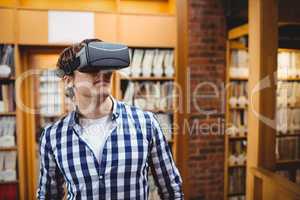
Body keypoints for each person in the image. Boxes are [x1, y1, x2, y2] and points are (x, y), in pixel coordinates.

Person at [37, 38, 183, 200]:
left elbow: (172, 190)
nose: (103, 74)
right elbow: (48, 196)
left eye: (106, 66)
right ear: (69, 80)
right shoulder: (53, 137)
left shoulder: (146, 123)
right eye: (91, 67)